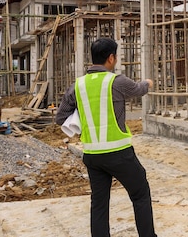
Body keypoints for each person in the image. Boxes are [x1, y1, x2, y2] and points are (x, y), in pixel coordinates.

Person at [55, 37, 157, 237]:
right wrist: (148, 83)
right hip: (119, 154)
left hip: (92, 156)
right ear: (111, 58)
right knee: (140, 194)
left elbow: (61, 117)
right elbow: (138, 90)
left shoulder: (78, 86)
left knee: (99, 203)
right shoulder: (116, 81)